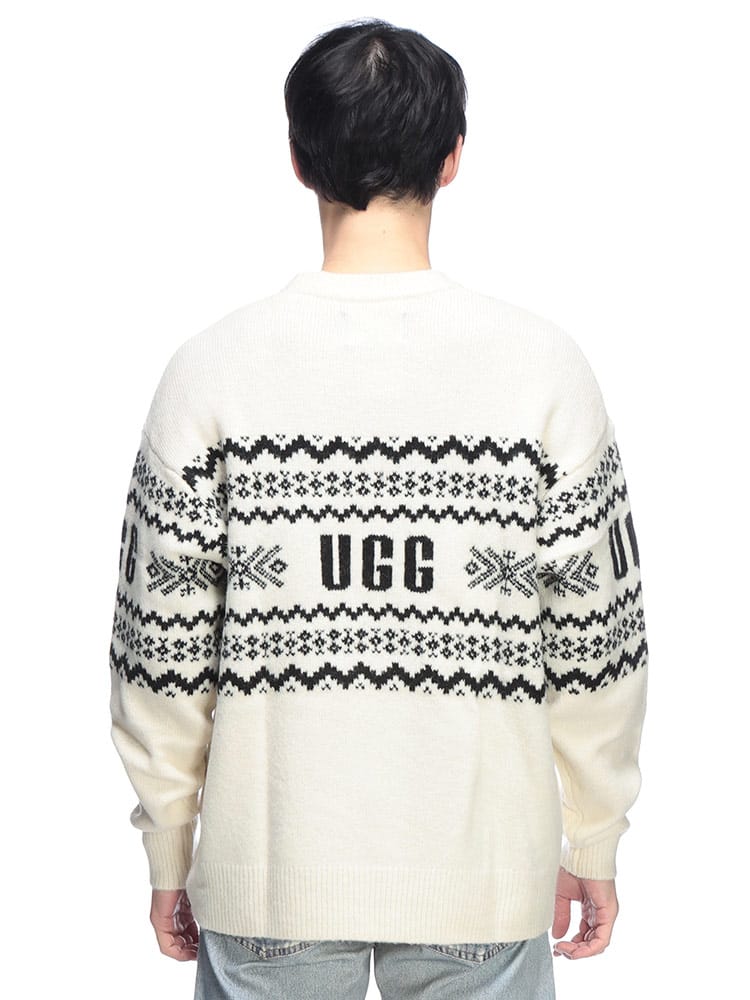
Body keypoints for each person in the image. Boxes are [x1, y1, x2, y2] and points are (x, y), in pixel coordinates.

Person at [108, 17, 649, 1000]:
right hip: (481, 883)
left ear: (296, 157)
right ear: (452, 159)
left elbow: (158, 649)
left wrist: (170, 846)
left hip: (270, 879)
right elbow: (598, 640)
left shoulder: (210, 371)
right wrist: (594, 836)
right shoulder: (543, 368)